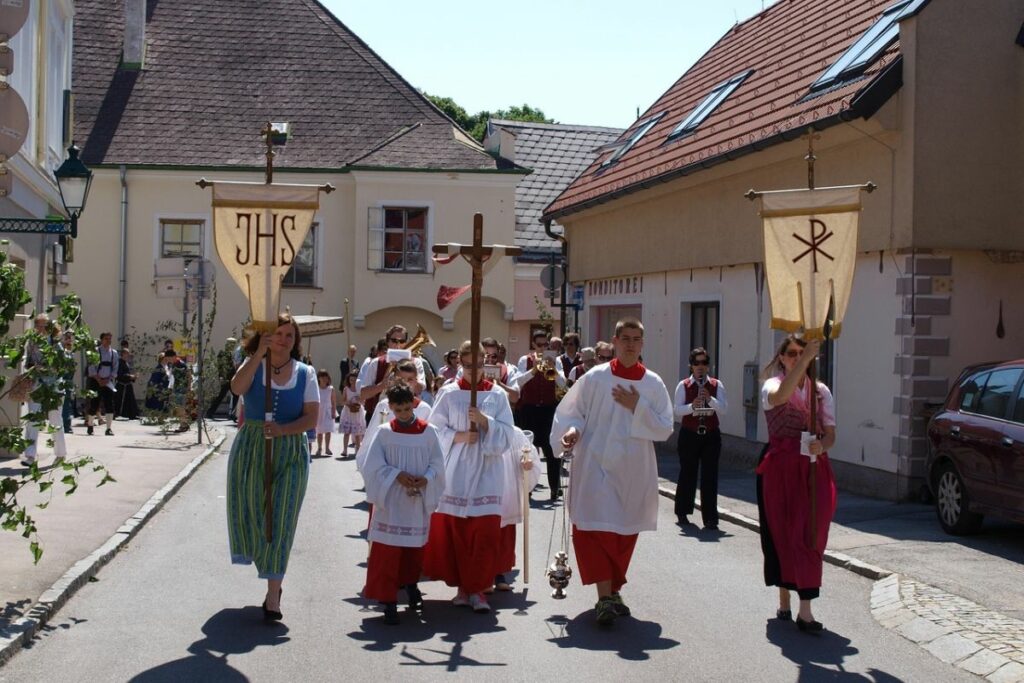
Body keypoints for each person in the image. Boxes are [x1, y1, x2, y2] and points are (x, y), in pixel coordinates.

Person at [551, 318, 673, 625]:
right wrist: (572, 432)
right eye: (626, 338)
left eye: (636, 339)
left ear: (642, 344)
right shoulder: (595, 378)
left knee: (623, 533)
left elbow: (665, 428)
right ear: (615, 342)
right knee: (594, 531)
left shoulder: (653, 384)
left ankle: (613, 589)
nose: (631, 344)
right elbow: (574, 413)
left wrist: (637, 406)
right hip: (594, 465)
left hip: (633, 470)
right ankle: (604, 597)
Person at [227, 313, 318, 622]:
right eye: (277, 333)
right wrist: (258, 355)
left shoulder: (305, 373)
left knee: (280, 518)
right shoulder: (254, 365)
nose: (283, 339)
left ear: (295, 342)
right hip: (252, 447)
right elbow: (238, 388)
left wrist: (282, 430)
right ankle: (268, 571)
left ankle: (272, 593)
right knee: (254, 512)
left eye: (289, 336)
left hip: (290, 449)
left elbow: (311, 419)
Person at [423, 341, 514, 614]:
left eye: (478, 364)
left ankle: (479, 589)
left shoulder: (497, 395)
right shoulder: (449, 394)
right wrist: (460, 436)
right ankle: (464, 588)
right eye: (468, 364)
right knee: (459, 532)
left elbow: (508, 434)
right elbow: (434, 430)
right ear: (460, 364)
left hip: (487, 469)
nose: (474, 370)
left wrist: (486, 422)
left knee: (484, 532)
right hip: (458, 470)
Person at [756, 336, 836, 634]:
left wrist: (823, 446)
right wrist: (804, 364)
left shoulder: (820, 391)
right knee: (783, 533)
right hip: (780, 467)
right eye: (791, 354)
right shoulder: (771, 384)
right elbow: (779, 398)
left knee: (811, 534)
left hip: (813, 468)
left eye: (802, 354)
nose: (796, 358)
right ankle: (784, 598)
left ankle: (806, 610)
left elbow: (830, 434)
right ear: (782, 358)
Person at [360, 382, 445, 624]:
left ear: (414, 405)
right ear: (391, 408)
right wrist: (396, 474)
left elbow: (438, 464)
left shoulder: (429, 432)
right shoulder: (385, 432)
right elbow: (372, 466)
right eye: (399, 411)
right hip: (392, 499)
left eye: (408, 409)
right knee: (387, 551)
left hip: (416, 498)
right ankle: (387, 600)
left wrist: (426, 478)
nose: (405, 415)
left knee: (413, 548)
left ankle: (410, 585)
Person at [673, 347, 728, 529]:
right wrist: (692, 406)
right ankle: (683, 512)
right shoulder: (683, 385)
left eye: (704, 363)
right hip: (689, 434)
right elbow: (676, 410)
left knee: (709, 476)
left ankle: (710, 517)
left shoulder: (716, 385)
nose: (700, 367)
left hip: (711, 435)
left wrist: (710, 399)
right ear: (691, 366)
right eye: (697, 363)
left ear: (708, 366)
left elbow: (724, 409)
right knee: (688, 473)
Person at [515, 330, 566, 500]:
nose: (543, 348)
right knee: (528, 450)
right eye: (540, 345)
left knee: (551, 450)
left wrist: (553, 370)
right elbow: (518, 382)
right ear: (534, 345)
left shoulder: (556, 360)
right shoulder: (525, 360)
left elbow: (563, 384)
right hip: (529, 409)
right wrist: (534, 371)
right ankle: (527, 488)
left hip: (548, 409)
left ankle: (554, 487)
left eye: (546, 345)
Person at [494, 427, 541, 592]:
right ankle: (483, 576)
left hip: (506, 490)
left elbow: (527, 453)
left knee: (504, 534)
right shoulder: (478, 430)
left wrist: (526, 462)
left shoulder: (514, 433)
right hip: (484, 489)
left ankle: (499, 573)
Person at [21, 314, 68, 467]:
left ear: (50, 328)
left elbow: (61, 366)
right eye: (38, 325)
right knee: (33, 419)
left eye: (44, 326)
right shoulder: (32, 343)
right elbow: (28, 362)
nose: (40, 329)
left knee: (55, 420)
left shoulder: (56, 344)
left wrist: (46, 367)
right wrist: (30, 370)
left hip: (54, 386)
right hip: (37, 385)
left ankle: (60, 455)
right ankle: (29, 456)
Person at [359, 328, 426, 424]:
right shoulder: (376, 362)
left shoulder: (416, 362)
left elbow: (420, 390)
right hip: (380, 414)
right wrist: (381, 386)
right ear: (387, 342)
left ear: (406, 342)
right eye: (394, 340)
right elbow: (363, 394)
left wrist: (412, 382)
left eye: (402, 341)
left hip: (407, 414)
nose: (398, 344)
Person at [85, 332, 119, 436]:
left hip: (108, 382)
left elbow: (115, 368)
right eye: (106, 339)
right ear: (101, 339)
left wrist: (108, 379)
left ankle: (108, 428)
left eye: (110, 339)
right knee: (94, 404)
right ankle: (90, 425)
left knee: (109, 405)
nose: (108, 341)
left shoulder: (114, 353)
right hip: (96, 381)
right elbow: (91, 367)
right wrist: (98, 379)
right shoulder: (95, 351)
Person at [482, 337, 519, 405]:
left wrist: (500, 384)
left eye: (494, 356)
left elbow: (515, 398)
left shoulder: (508, 370)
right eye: (486, 355)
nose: (490, 359)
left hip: (498, 414)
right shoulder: (469, 370)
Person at [207, 338, 238, 419]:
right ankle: (210, 412)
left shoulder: (232, 354)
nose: (232, 346)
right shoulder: (223, 353)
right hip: (226, 379)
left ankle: (233, 414)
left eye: (233, 344)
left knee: (235, 395)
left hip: (231, 379)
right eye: (231, 344)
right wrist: (221, 376)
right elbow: (220, 366)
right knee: (221, 396)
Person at [338, 371, 365, 457]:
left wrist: (359, 400)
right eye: (351, 380)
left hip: (357, 412)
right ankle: (345, 450)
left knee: (357, 433)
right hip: (348, 412)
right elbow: (342, 401)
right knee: (347, 432)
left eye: (354, 380)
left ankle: (358, 449)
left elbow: (363, 402)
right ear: (348, 380)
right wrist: (348, 403)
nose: (352, 381)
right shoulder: (346, 389)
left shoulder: (360, 389)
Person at [314, 369, 338, 456]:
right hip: (319, 412)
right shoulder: (316, 388)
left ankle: (327, 448)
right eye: (322, 377)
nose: (324, 379)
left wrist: (333, 412)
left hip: (328, 411)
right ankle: (319, 448)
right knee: (319, 431)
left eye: (325, 377)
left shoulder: (330, 389)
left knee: (328, 431)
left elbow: (333, 402)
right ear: (318, 378)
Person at [115, 341, 140, 420]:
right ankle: (115, 413)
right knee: (118, 400)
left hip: (127, 384)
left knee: (130, 400)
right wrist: (130, 376)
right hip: (121, 385)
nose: (128, 355)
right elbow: (120, 374)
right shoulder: (119, 362)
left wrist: (133, 377)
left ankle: (132, 414)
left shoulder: (126, 363)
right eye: (127, 354)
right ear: (123, 354)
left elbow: (127, 373)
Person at [60, 331, 76, 434]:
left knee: (67, 405)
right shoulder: (61, 353)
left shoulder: (71, 354)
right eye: (67, 338)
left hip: (69, 382)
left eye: (70, 338)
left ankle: (67, 425)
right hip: (61, 381)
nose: (69, 340)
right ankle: (64, 425)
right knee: (62, 405)